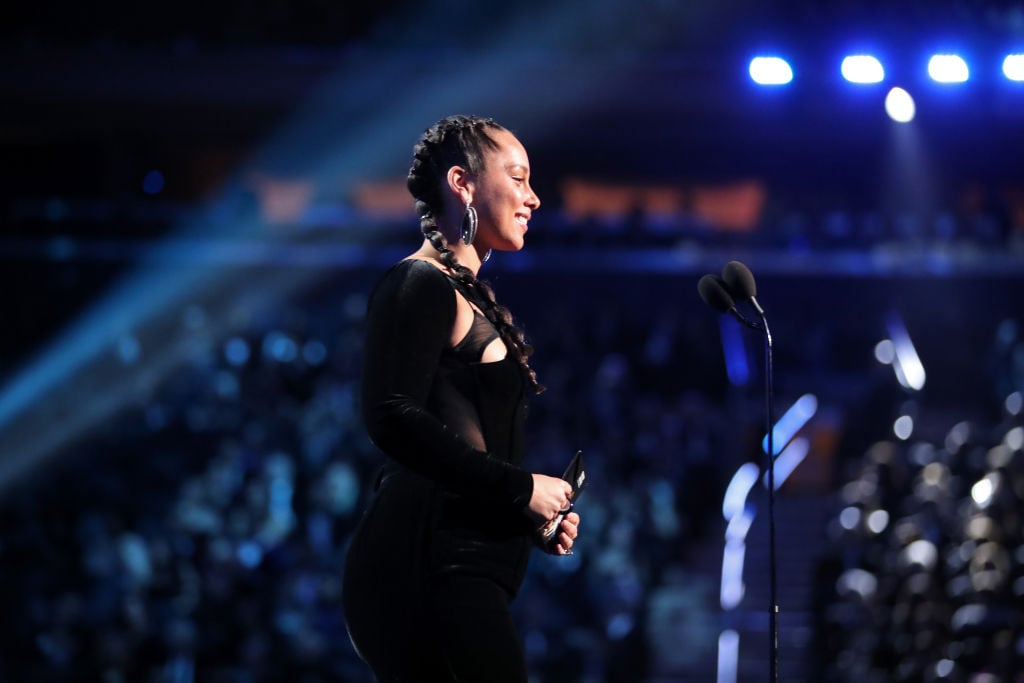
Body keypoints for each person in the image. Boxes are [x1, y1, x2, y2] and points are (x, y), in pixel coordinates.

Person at [341, 114, 581, 682]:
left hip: (456, 563)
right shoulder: (419, 285)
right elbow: (391, 415)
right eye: (518, 179)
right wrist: (519, 489)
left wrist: (524, 514)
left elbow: (459, 439)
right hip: (426, 564)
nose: (534, 198)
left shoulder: (460, 293)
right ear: (462, 182)